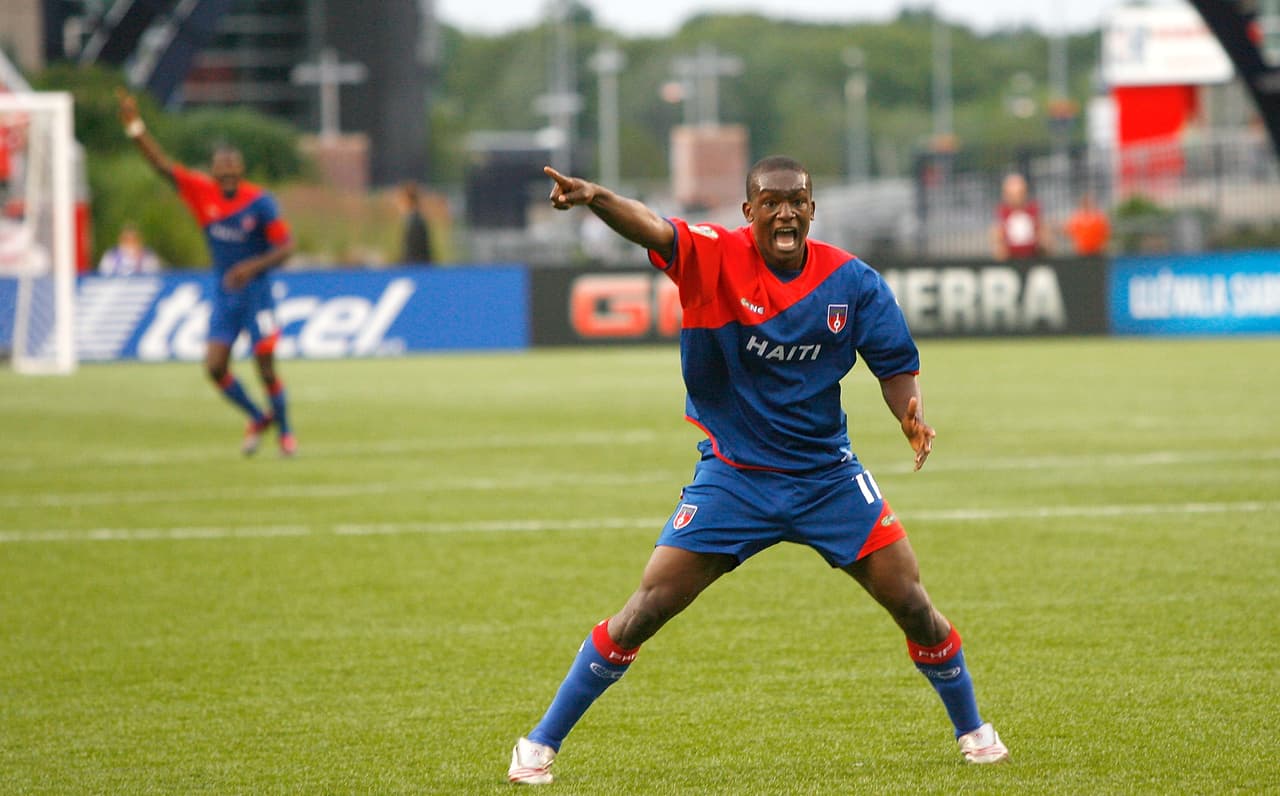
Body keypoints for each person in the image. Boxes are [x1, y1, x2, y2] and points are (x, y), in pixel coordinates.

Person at [507, 156, 1009, 785]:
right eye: (770, 202)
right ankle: (540, 743)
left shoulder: (852, 282)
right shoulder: (713, 256)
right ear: (749, 213)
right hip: (735, 476)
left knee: (911, 601)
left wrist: (909, 414)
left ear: (812, 209)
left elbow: (893, 364)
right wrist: (596, 197)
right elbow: (654, 229)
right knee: (646, 608)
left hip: (827, 476)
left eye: (796, 200)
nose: (785, 212)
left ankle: (974, 730)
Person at [116, 88, 297, 457]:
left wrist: (252, 266)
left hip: (257, 293)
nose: (228, 171)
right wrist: (135, 126)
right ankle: (258, 417)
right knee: (215, 368)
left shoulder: (259, 202)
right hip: (225, 294)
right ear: (213, 170)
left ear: (240, 169)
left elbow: (287, 248)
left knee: (265, 367)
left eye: (233, 166)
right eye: (222, 166)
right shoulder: (201, 193)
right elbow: (161, 166)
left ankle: (286, 434)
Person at [990, 172, 1045, 261]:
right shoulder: (1002, 214)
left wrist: (1042, 242)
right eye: (1012, 194)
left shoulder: (1034, 211)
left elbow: (1044, 239)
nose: (1017, 198)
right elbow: (997, 239)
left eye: (1020, 193)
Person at [97, 223, 162, 276]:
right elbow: (104, 275)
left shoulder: (148, 256)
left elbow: (154, 275)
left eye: (134, 239)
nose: (130, 243)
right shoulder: (111, 256)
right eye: (127, 239)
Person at [1062, 192, 1110, 257]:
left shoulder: (1099, 217)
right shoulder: (1077, 218)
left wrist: (1103, 246)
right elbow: (1069, 231)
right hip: (1081, 252)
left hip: (1097, 251)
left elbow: (1105, 233)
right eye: (1085, 203)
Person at [396, 181, 433, 265]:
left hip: (416, 269)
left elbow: (413, 253)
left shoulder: (416, 223)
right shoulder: (413, 220)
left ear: (407, 201)